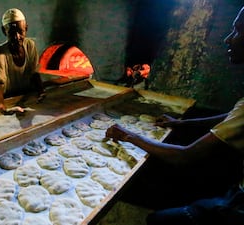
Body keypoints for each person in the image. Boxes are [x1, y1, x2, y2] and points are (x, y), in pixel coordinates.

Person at [105, 6, 244, 225]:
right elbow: (229, 116)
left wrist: (129, 136)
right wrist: (180, 123)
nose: (228, 39)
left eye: (237, 30)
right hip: (237, 187)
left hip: (240, 202)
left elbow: (185, 156)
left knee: (159, 221)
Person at [0, 8, 45, 114]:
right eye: (11, 33)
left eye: (21, 31)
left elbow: (34, 73)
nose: (17, 37)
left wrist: (41, 92)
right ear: (3, 31)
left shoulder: (30, 46)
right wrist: (3, 108)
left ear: (26, 28)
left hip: (27, 97)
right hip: (9, 100)